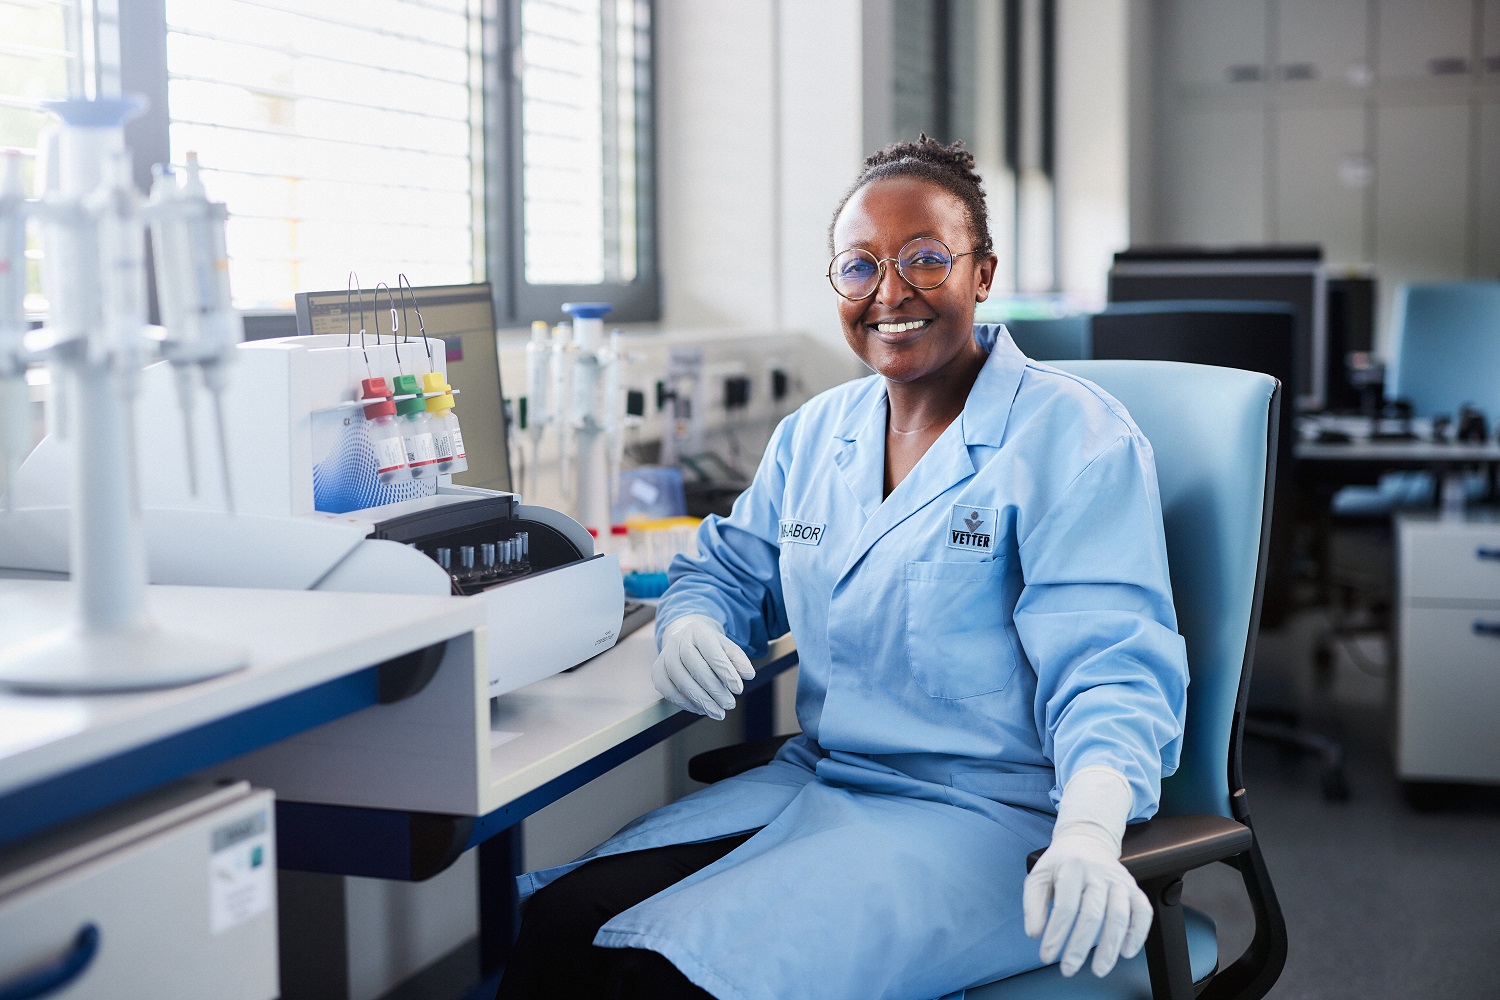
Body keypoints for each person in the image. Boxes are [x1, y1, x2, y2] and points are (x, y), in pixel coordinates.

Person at [496, 136, 1189, 1000]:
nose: (889, 293)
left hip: (991, 820)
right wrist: (693, 620)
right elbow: (727, 568)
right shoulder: (818, 433)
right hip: (823, 782)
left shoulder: (1073, 437)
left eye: (926, 259)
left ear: (982, 274)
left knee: (656, 980)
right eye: (859, 267)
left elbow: (1111, 670)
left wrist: (1088, 829)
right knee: (558, 929)